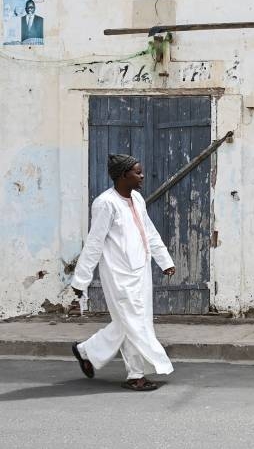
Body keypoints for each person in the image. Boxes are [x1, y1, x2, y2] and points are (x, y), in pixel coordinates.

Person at [70, 154, 176, 391]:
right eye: (137, 173)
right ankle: (135, 376)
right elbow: (94, 243)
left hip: (140, 272)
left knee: (132, 322)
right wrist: (81, 279)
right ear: (122, 176)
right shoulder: (105, 203)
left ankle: (85, 351)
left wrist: (164, 260)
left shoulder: (137, 199)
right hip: (119, 275)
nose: (142, 176)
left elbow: (149, 232)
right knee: (134, 323)